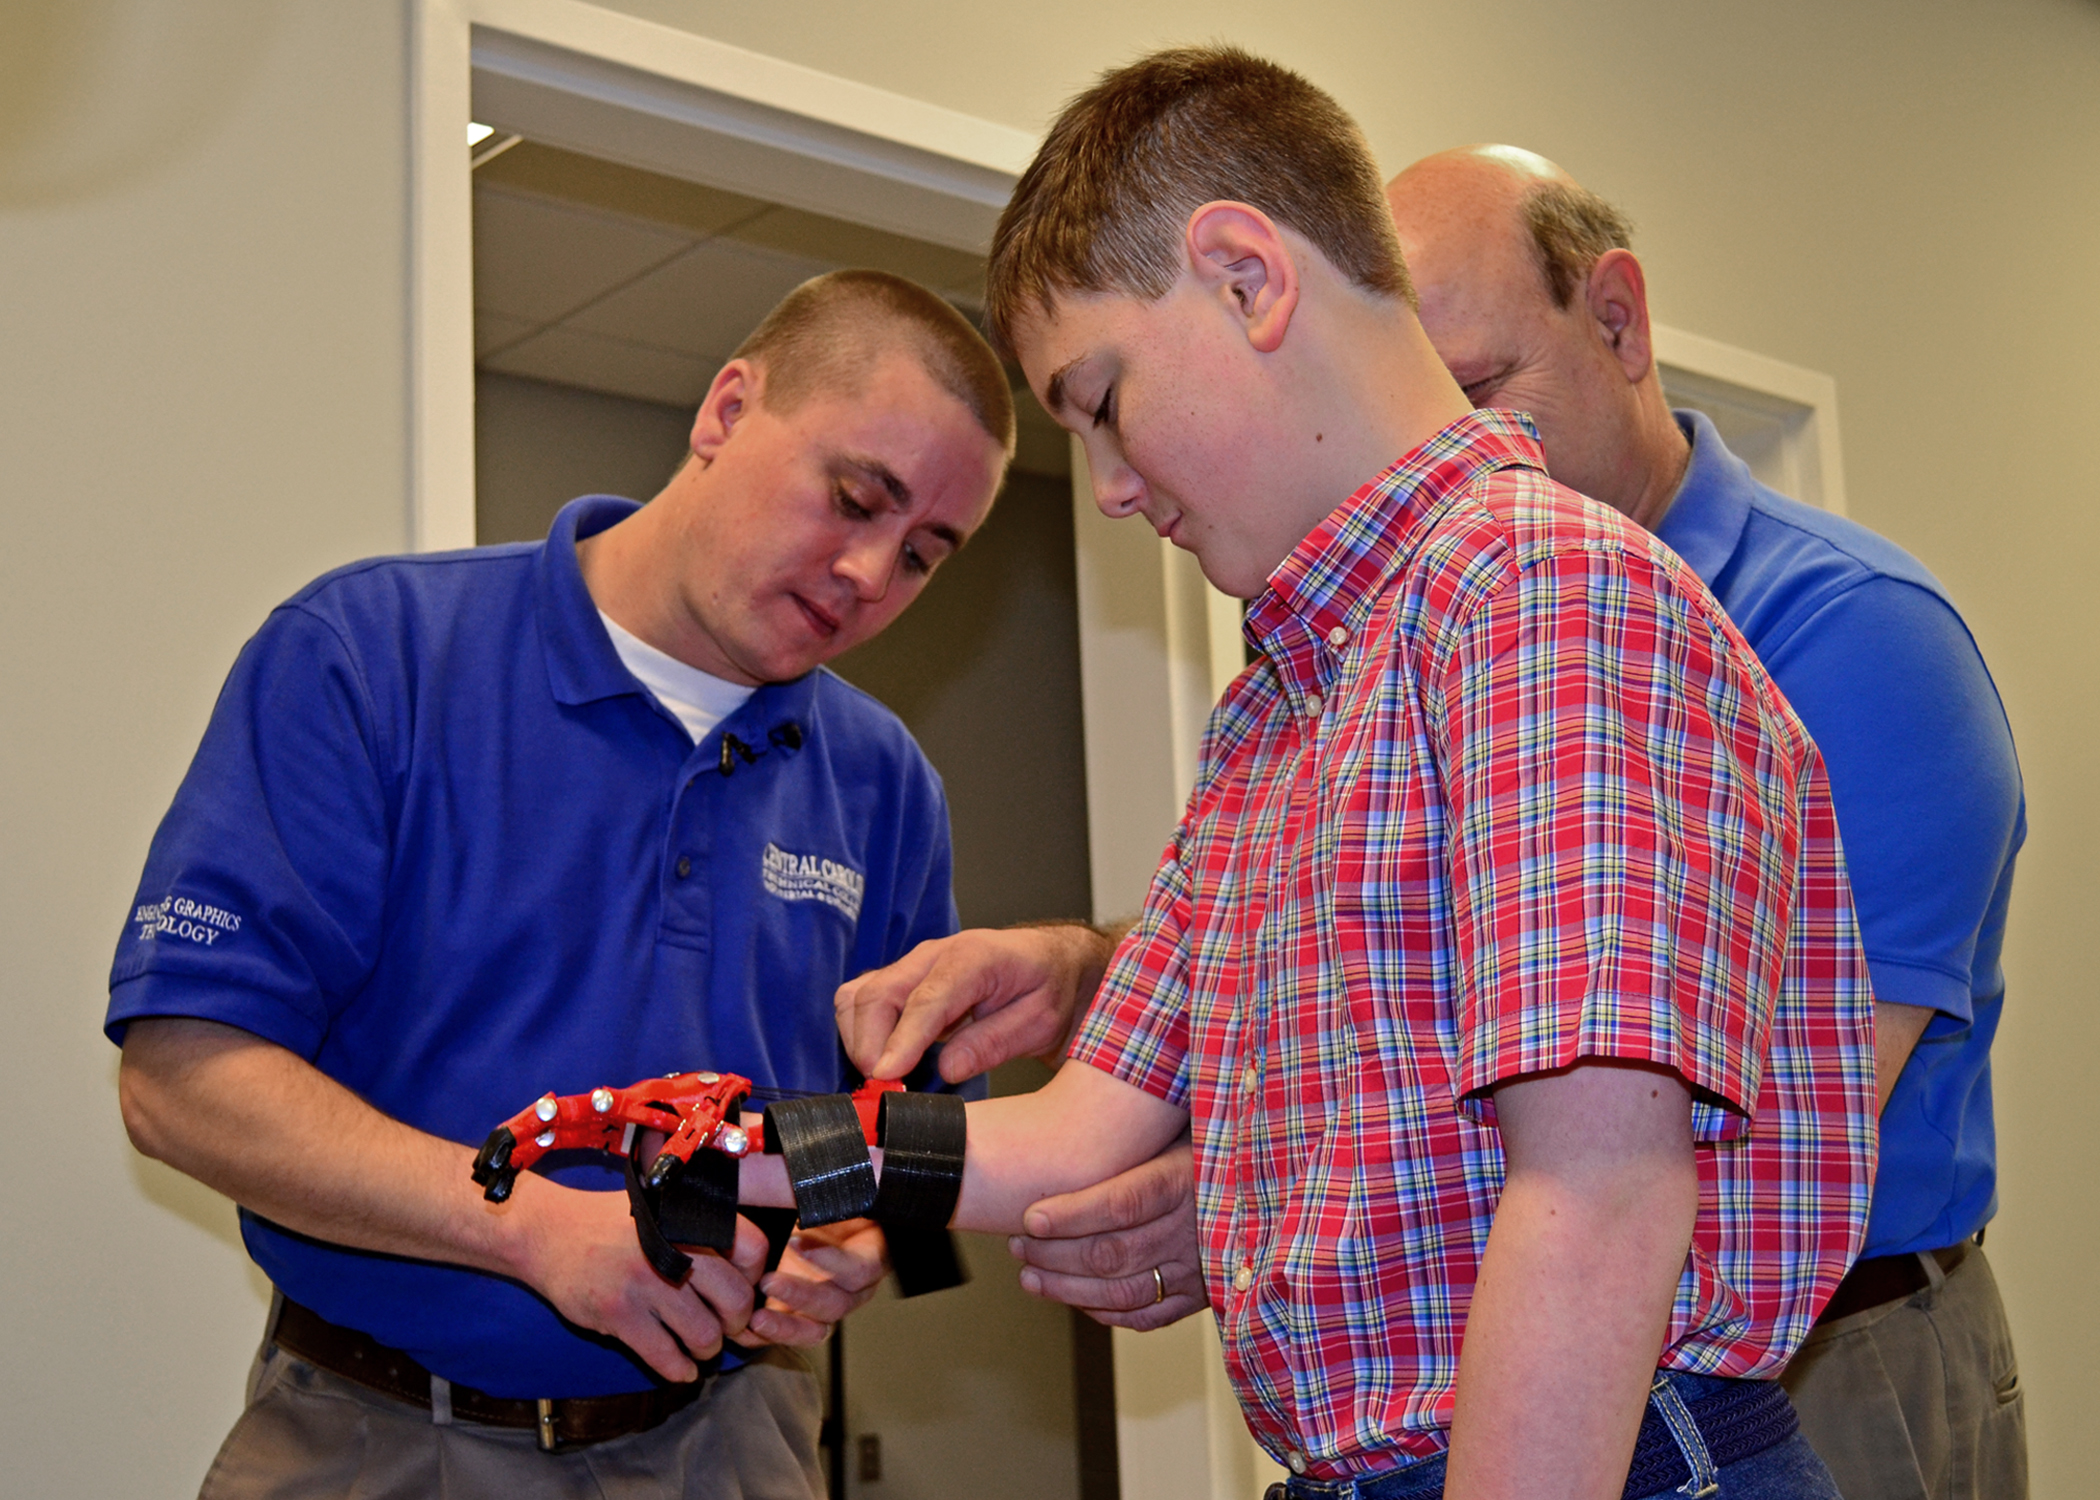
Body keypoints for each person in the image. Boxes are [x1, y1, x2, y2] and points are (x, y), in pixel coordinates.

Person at [822, 47, 1876, 1498]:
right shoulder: (1278, 712)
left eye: (1103, 402)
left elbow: (1600, 1200)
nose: (1113, 488)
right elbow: (1075, 1128)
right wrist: (757, 1152)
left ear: (1248, 275)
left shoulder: (1537, 591)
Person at [110, 269, 1013, 1499]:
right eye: (855, 498)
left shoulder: (882, 781)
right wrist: (529, 1229)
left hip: (731, 1446)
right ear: (728, 411)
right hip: (378, 1437)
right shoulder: (370, 659)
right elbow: (178, 1085)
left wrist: (853, 1237)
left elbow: (901, 1137)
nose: (869, 573)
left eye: (922, 555)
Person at [1379, 145, 2028, 1500]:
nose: (1461, 463)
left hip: (1830, 1353)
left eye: (1485, 390)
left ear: (1616, 320)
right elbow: (1400, 969)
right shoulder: (1475, 646)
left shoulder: (1858, 638)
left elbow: (1780, 1134)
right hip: (1563, 1330)